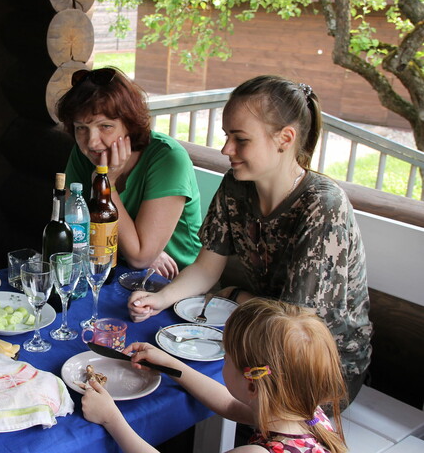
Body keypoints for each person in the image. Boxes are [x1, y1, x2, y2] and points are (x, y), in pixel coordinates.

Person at [128, 75, 372, 402]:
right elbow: (206, 269)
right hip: (264, 338)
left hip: (318, 367)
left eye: (240, 139)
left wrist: (238, 295)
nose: (226, 149)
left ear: (285, 138)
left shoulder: (323, 207)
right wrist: (162, 298)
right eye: (227, 136)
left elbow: (295, 323)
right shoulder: (237, 185)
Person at [82, 298, 348, 453]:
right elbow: (231, 405)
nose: (223, 360)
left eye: (226, 357)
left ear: (253, 387)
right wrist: (173, 366)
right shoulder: (304, 412)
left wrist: (110, 418)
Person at [57, 67, 202, 279]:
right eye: (81, 128)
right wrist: (138, 249)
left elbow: (139, 257)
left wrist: (107, 183)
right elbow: (73, 231)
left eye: (105, 126)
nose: (91, 141)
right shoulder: (85, 153)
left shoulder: (168, 159)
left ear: (129, 125)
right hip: (110, 267)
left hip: (176, 281)